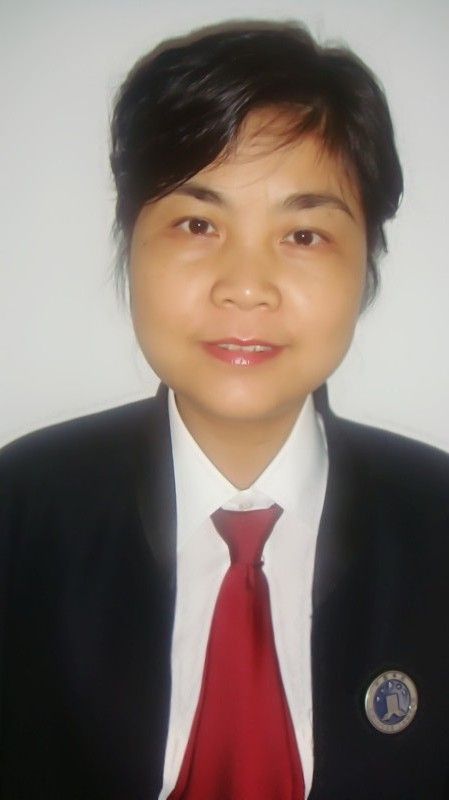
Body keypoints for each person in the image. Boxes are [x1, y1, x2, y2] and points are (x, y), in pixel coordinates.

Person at [0, 19, 448, 800]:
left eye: (303, 234)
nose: (245, 287)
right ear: (129, 242)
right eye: (198, 223)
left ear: (366, 265)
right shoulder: (19, 513)